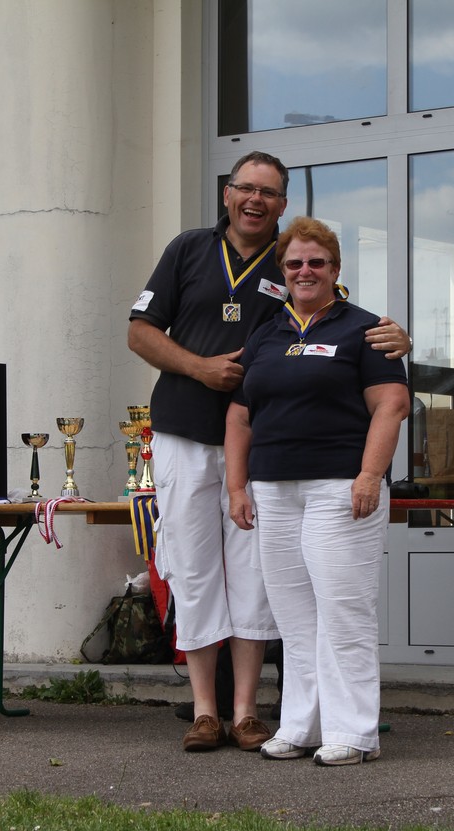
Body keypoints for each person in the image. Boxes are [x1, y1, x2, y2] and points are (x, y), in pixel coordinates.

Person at [127, 151, 410, 752]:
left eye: (269, 193)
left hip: (270, 453)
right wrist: (200, 368)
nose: (255, 200)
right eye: (245, 188)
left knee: (263, 579)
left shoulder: (294, 264)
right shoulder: (187, 249)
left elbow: (355, 329)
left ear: (282, 205)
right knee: (196, 568)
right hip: (188, 430)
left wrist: (401, 338)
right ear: (227, 194)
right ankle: (205, 710)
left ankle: (249, 711)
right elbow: (140, 332)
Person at [225, 216, 409, 766]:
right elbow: (240, 416)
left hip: (340, 487)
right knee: (295, 617)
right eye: (295, 263)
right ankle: (303, 726)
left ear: (335, 269)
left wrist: (370, 475)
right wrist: (237, 486)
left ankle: (353, 733)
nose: (306, 271)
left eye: (317, 262)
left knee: (343, 610)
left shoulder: (365, 329)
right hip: (274, 491)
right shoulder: (266, 332)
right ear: (282, 273)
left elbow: (391, 406)